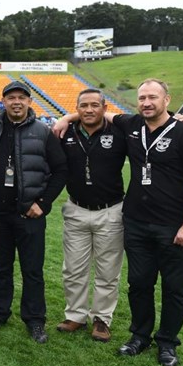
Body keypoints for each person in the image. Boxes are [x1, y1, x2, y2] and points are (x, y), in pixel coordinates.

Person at [60, 79, 183, 366]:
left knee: (175, 287)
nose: (146, 103)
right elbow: (99, 113)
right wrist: (68, 116)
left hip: (175, 225)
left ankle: (167, 342)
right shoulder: (131, 126)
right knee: (139, 283)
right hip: (137, 223)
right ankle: (140, 336)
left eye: (153, 97)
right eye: (142, 98)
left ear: (167, 100)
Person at [0, 81, 67, 344]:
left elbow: (60, 170)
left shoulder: (42, 132)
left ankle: (35, 320)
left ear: (30, 102)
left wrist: (44, 203)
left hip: (29, 213)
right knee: (0, 267)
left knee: (32, 270)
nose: (16, 102)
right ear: (3, 102)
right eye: (11, 97)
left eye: (22, 98)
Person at [54, 89, 127, 342]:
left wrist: (178, 119)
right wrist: (66, 119)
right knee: (73, 269)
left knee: (108, 271)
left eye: (94, 105)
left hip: (111, 210)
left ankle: (102, 319)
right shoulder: (65, 132)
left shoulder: (119, 132)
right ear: (77, 108)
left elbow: (145, 124)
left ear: (104, 108)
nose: (88, 110)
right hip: (76, 210)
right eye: (83, 105)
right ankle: (75, 315)